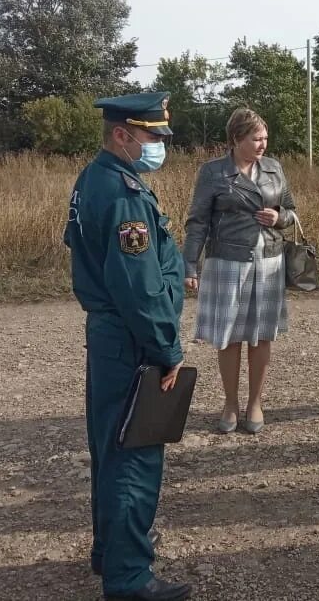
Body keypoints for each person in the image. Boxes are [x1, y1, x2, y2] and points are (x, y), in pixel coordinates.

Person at [64, 91, 191, 601]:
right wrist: (167, 347)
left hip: (111, 334)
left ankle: (111, 551)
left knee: (109, 450)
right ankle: (130, 579)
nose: (159, 145)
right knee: (133, 458)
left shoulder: (96, 179)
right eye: (153, 136)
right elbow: (135, 286)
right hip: (132, 338)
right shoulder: (123, 194)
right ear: (123, 134)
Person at [183, 108, 296, 435]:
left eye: (265, 138)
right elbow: (198, 221)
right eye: (255, 138)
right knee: (230, 336)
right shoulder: (213, 172)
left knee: (262, 335)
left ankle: (255, 403)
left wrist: (280, 217)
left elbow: (291, 209)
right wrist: (189, 263)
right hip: (227, 262)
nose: (263, 144)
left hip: (270, 260)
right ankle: (230, 403)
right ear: (236, 139)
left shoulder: (274, 168)